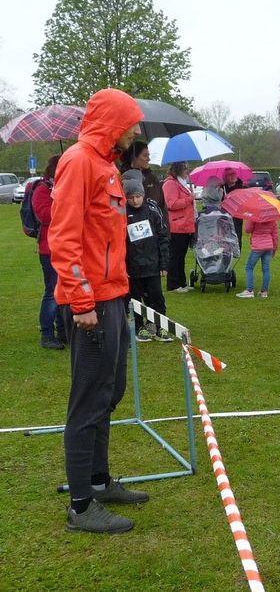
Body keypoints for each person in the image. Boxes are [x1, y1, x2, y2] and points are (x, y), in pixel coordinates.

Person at [48, 87, 148, 534]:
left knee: (110, 392)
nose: (137, 130)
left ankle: (99, 480)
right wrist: (81, 299)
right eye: (132, 122)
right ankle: (81, 506)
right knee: (88, 401)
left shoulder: (107, 164)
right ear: (113, 121)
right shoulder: (79, 162)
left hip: (112, 297)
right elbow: (64, 237)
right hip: (90, 304)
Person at [123, 177, 172, 342]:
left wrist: (164, 263)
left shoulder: (152, 210)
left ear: (142, 195)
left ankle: (159, 327)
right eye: (131, 197)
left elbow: (163, 237)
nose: (135, 200)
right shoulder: (122, 214)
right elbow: (119, 243)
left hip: (153, 265)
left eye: (137, 196)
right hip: (133, 267)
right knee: (135, 299)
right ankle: (139, 328)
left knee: (156, 296)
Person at [31, 155, 67, 349]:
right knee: (52, 291)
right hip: (49, 247)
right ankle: (46, 333)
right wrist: (62, 202)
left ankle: (62, 330)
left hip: (64, 245)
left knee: (64, 290)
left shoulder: (60, 188)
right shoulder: (42, 189)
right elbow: (45, 215)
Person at [162, 162, 195, 293]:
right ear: (178, 169)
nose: (187, 171)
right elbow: (171, 203)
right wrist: (189, 199)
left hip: (185, 225)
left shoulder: (181, 183)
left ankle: (181, 282)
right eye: (185, 168)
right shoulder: (170, 184)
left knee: (181, 256)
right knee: (175, 256)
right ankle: (173, 284)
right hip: (177, 225)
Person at [121, 140, 166, 225]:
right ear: (134, 157)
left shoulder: (152, 178)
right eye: (145, 156)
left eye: (148, 155)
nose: (149, 159)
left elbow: (161, 205)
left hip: (155, 228)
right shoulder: (121, 178)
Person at [235, 214, 279, 299]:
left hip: (258, 246)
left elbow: (247, 230)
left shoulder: (254, 217)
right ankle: (264, 292)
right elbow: (275, 236)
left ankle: (249, 290)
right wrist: (274, 249)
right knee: (266, 269)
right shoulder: (272, 218)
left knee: (249, 267)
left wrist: (249, 219)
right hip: (269, 246)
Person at [222, 167, 246, 252]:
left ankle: (236, 250)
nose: (233, 176)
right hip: (224, 216)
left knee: (236, 235)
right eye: (230, 175)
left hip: (236, 216)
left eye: (234, 174)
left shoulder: (240, 188)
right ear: (225, 177)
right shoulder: (222, 188)